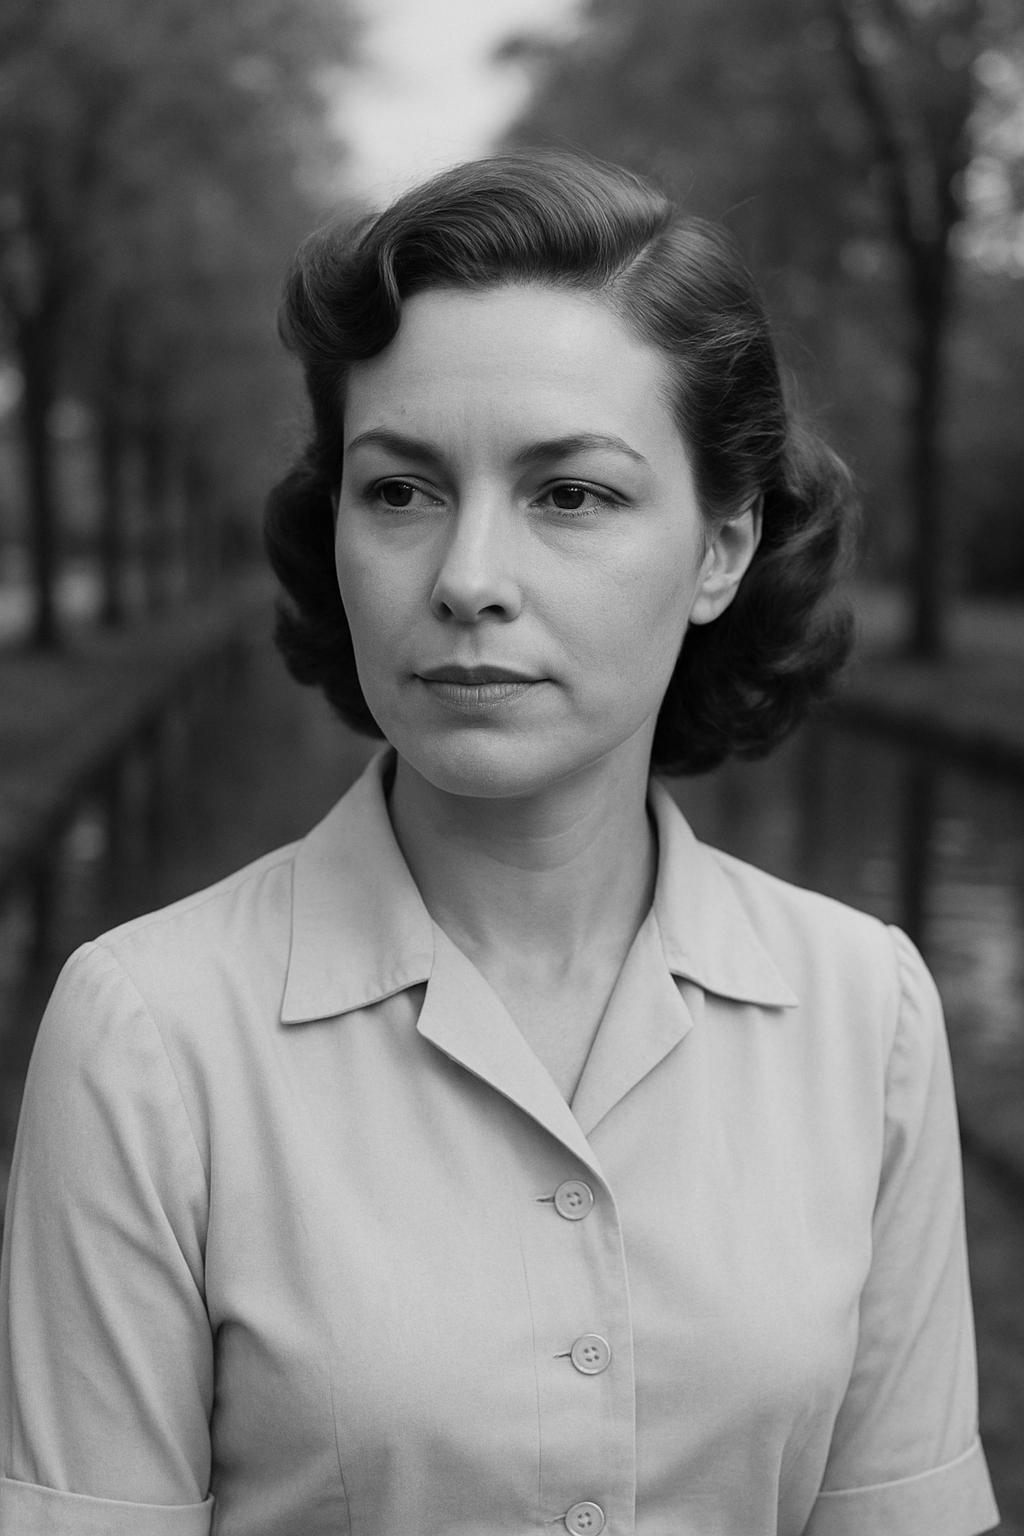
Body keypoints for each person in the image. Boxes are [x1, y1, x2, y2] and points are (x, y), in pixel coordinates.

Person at [0, 153, 999, 1536]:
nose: (468, 579)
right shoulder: (147, 1034)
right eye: (400, 492)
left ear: (720, 547)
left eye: (570, 494)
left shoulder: (866, 1011)